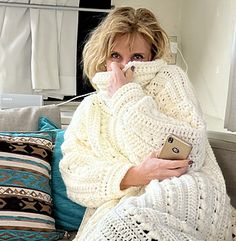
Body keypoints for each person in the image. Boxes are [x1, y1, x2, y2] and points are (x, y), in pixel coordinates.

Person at [59, 6, 236, 241]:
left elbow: (193, 148)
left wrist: (126, 96)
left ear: (151, 56)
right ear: (102, 57)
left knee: (131, 221)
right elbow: (75, 175)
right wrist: (135, 174)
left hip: (182, 188)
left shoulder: (170, 79)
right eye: (115, 56)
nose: (124, 66)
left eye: (137, 57)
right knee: (118, 225)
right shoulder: (89, 109)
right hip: (122, 202)